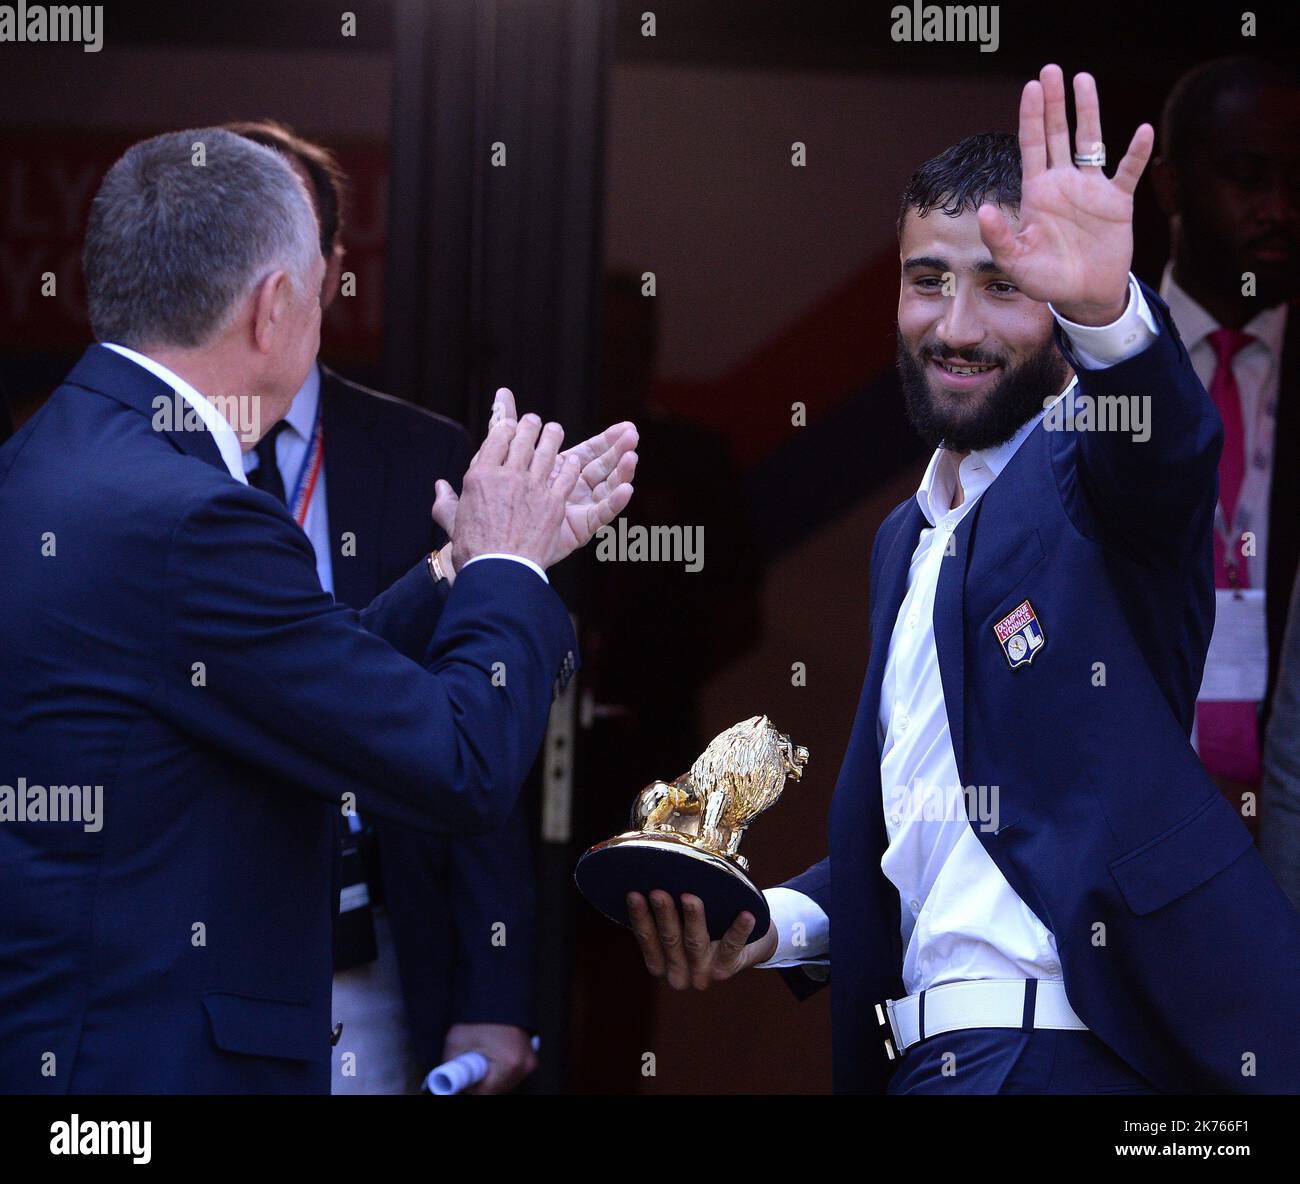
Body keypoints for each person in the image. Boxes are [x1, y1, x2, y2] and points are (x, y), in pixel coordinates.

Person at [626, 65, 1300, 1095]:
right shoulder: (908, 536)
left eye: (1003, 284)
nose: (955, 326)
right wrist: (775, 923)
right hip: (937, 1057)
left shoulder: (1090, 467)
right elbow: (938, 840)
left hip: (1072, 1057)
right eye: (928, 279)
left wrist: (1110, 315)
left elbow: (1166, 449)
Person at [0, 128, 634, 1094]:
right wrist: (511, 565)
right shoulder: (192, 516)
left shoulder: (49, 460)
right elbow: (456, 762)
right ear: (276, 305)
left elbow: (276, 681)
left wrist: (458, 567)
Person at [225, 120, 587, 1095]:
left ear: (335, 268)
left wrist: (496, 984)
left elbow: (482, 724)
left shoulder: (421, 453)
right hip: (192, 957)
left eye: (288, 236)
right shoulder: (134, 453)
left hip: (376, 961)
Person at [1149, 57, 1300, 836]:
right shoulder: (1093, 361)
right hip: (1130, 822)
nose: (1280, 207)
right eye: (1248, 174)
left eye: (1296, 179)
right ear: (1171, 187)